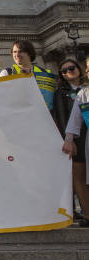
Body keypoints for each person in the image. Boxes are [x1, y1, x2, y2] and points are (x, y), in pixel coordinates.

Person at [55, 58, 89, 225]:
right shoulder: (63, 93)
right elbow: (68, 119)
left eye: (71, 68)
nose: (68, 71)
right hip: (80, 139)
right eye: (64, 70)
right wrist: (68, 138)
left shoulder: (83, 89)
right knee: (80, 176)